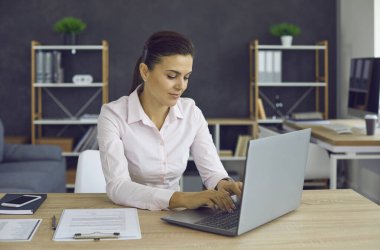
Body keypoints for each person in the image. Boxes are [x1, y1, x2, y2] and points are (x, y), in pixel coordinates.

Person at [97, 31, 242, 212]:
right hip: (131, 214)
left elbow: (212, 171)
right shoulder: (113, 115)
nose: (181, 86)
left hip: (176, 217)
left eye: (186, 76)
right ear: (145, 71)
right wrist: (184, 198)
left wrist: (224, 183)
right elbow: (117, 187)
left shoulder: (191, 113)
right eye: (172, 76)